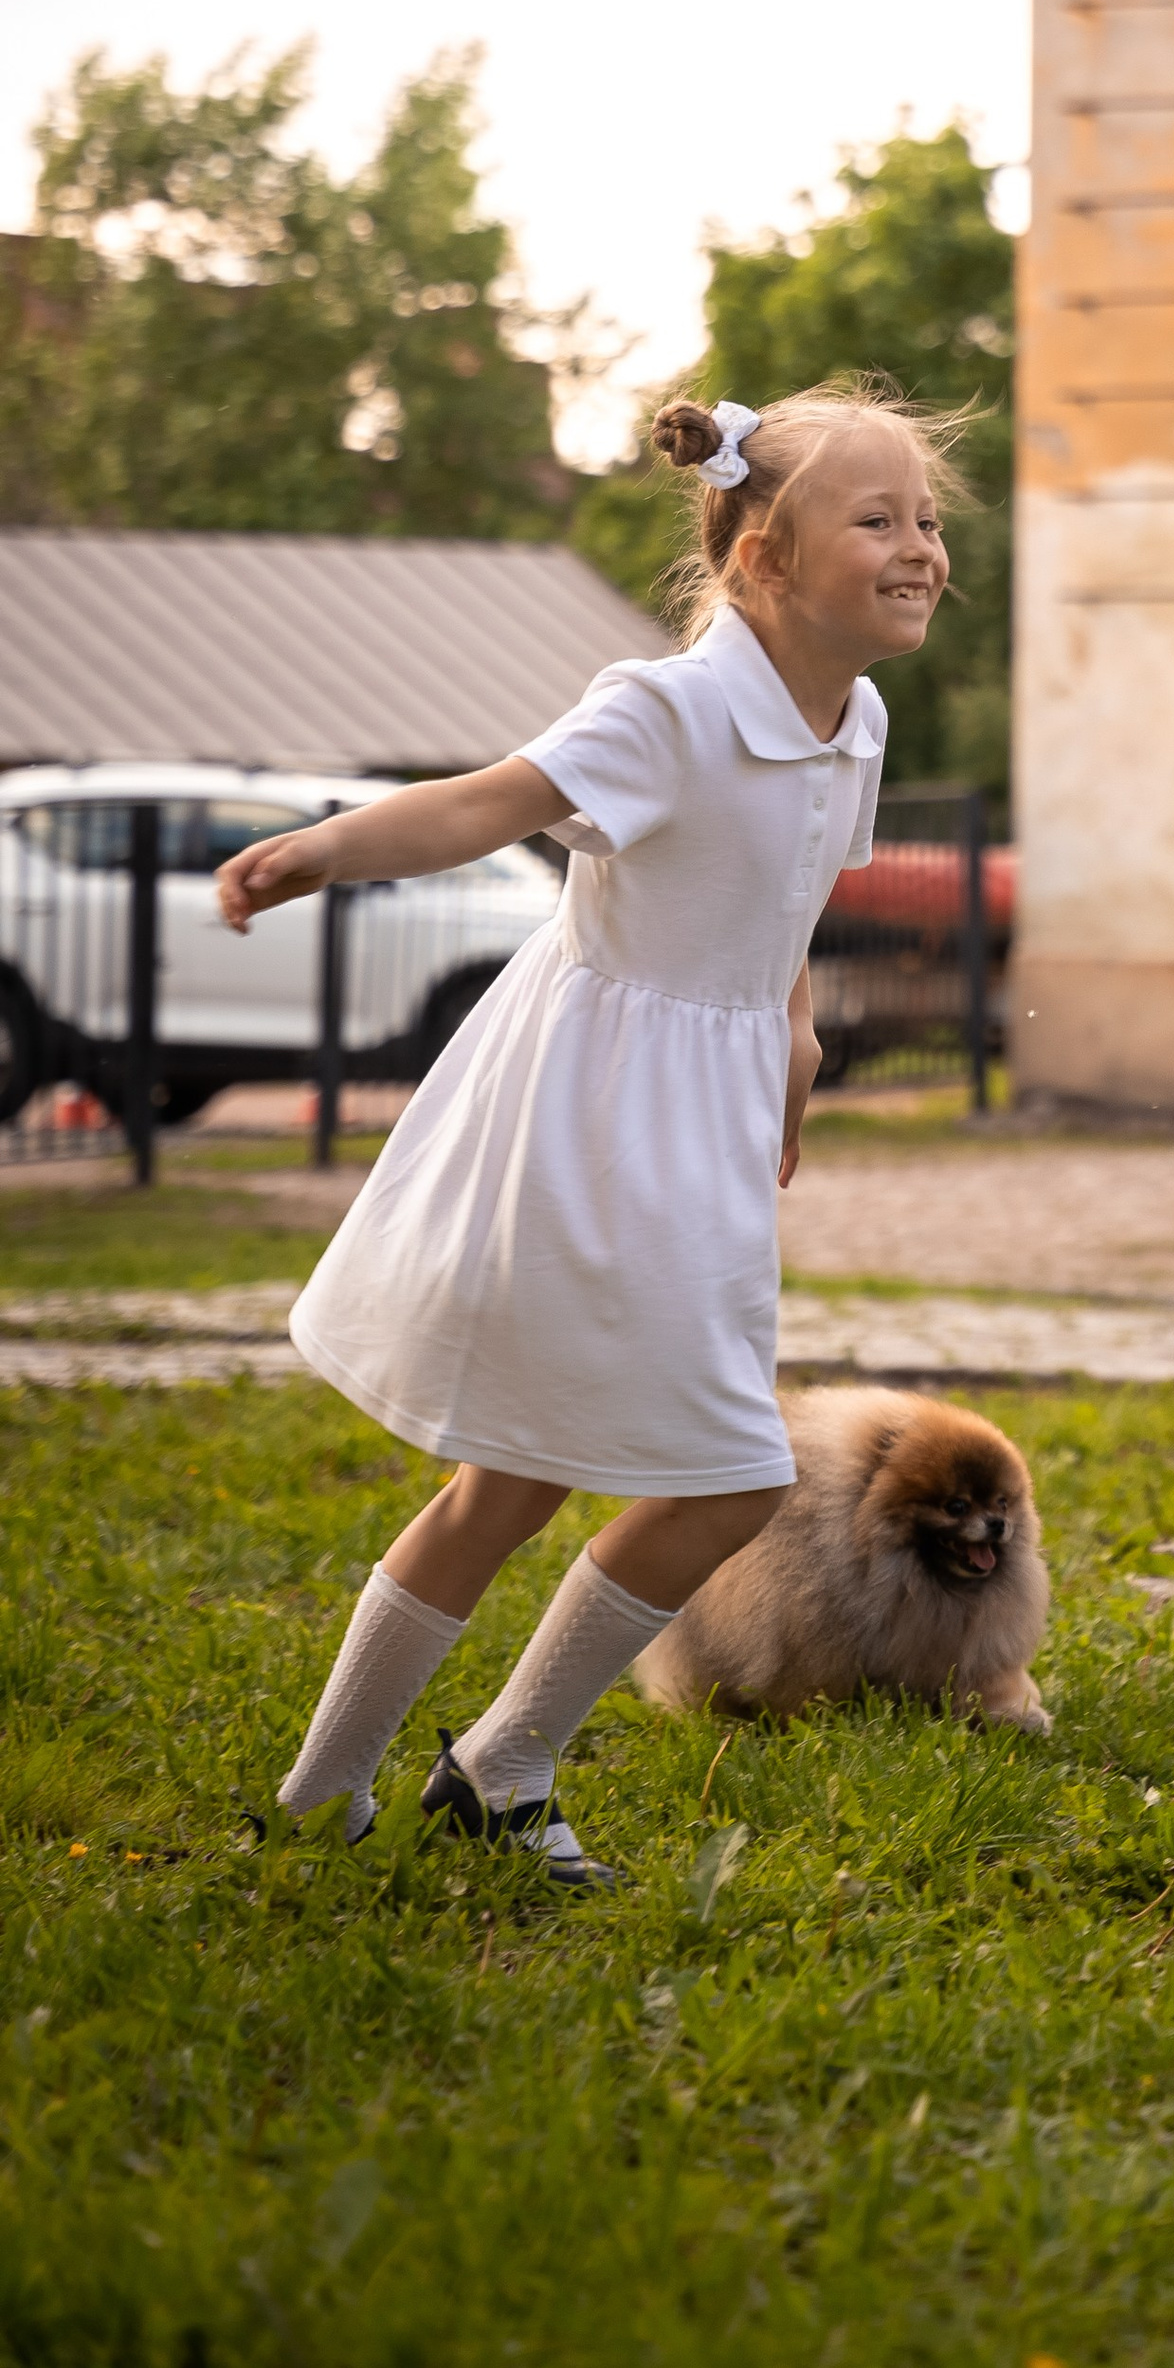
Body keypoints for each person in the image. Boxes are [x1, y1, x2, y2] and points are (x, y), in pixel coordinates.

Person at [214, 382, 955, 1883]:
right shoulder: (670, 706)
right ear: (761, 560)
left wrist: (795, 1035)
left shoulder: (854, 713)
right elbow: (490, 802)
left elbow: (791, 892)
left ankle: (340, 1790)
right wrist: (323, 849)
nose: (921, 547)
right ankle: (497, 1760)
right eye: (878, 520)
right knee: (719, 1472)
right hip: (601, 1116)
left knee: (521, 1476)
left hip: (711, 1112)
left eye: (929, 519)